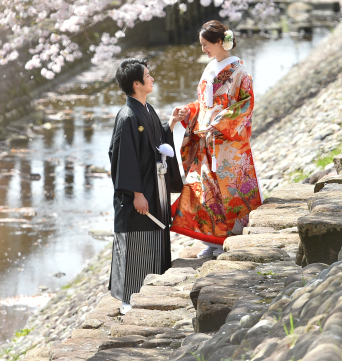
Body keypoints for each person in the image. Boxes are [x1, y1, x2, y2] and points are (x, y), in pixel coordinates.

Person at [168, 21, 262, 258]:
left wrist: (220, 121)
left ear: (220, 42)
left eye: (206, 44)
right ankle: (211, 240)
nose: (203, 49)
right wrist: (189, 111)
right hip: (205, 140)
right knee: (204, 190)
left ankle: (227, 240)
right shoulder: (210, 68)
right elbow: (203, 104)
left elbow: (245, 105)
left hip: (227, 143)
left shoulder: (239, 71)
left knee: (226, 192)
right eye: (201, 45)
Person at [108, 58, 183, 314]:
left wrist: (170, 124)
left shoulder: (146, 109)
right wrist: (136, 193)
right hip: (138, 192)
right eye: (148, 76)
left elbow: (155, 139)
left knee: (154, 235)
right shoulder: (127, 116)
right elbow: (123, 158)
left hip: (154, 184)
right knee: (136, 241)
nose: (152, 79)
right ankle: (128, 298)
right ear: (136, 83)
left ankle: (152, 290)